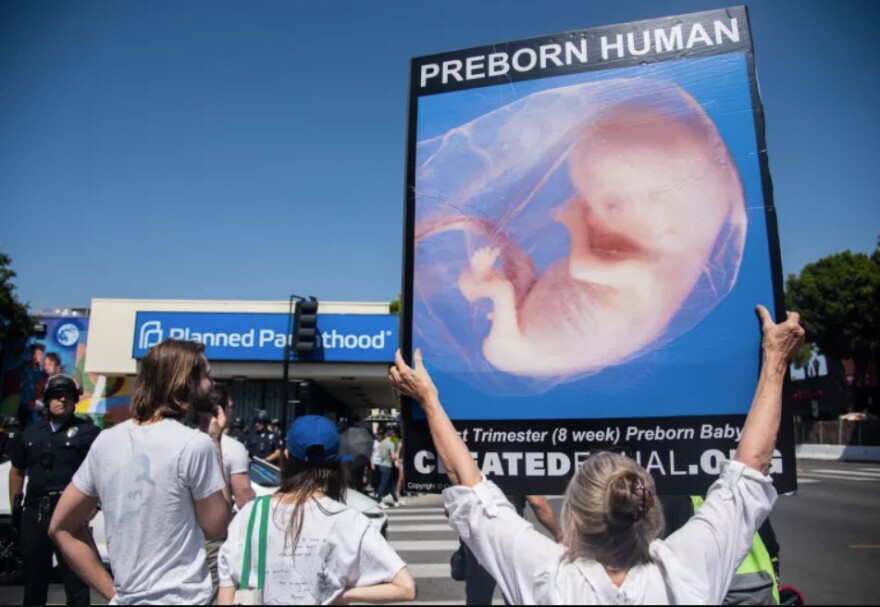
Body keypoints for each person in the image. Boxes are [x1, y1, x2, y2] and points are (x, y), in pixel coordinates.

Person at [390, 305, 805, 605]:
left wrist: (429, 399)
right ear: (649, 512)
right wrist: (774, 363)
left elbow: (469, 483)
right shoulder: (688, 573)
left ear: (574, 516)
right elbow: (751, 469)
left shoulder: (547, 580)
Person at [48, 339, 230, 605]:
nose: (212, 384)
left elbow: (60, 527)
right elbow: (216, 526)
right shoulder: (195, 444)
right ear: (185, 381)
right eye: (206, 376)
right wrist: (215, 440)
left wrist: (113, 594)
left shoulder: (106, 442)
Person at [217, 415, 417, 604]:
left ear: (286, 457)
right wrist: (341, 595)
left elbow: (226, 593)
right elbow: (406, 587)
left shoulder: (249, 515)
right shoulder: (348, 520)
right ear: (337, 464)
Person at [9, 375, 99, 605]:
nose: (63, 400)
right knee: (34, 581)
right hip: (35, 513)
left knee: (76, 580)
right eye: (57, 396)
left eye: (68, 396)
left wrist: (94, 506)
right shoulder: (30, 433)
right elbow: (17, 472)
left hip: (70, 514)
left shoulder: (88, 432)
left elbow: (103, 472)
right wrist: (16, 510)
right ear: (47, 400)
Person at [202, 384, 256, 602]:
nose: (233, 412)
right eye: (230, 407)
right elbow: (244, 498)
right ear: (220, 411)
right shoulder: (232, 447)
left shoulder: (185, 438)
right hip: (214, 538)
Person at [462, 494, 562, 605]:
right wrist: (558, 534)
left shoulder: (471, 476)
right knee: (516, 595)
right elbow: (537, 503)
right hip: (512, 539)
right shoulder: (520, 476)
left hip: (479, 539)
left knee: (479, 596)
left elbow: (450, 510)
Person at [17, 344, 45, 427]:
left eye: (39, 354)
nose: (35, 357)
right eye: (34, 354)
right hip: (24, 403)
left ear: (43, 356)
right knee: (21, 426)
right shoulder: (26, 369)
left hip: (36, 405)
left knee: (34, 427)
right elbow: (21, 384)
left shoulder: (44, 372)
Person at [376, 428, 402, 508]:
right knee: (383, 484)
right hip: (387, 466)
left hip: (382, 465)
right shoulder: (391, 444)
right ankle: (379, 501)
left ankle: (396, 501)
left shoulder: (381, 443)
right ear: (392, 435)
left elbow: (379, 454)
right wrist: (396, 455)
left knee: (390, 484)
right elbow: (393, 456)